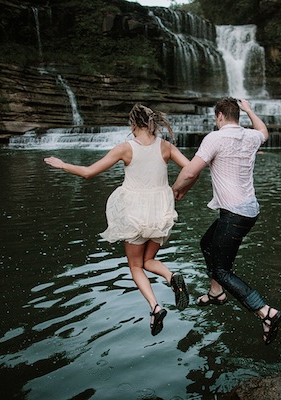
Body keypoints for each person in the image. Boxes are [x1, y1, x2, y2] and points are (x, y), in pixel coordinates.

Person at [44, 104, 190, 336]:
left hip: (135, 212)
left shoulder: (125, 148)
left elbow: (88, 172)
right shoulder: (166, 147)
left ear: (133, 124)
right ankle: (171, 276)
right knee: (148, 259)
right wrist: (180, 189)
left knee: (135, 265)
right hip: (160, 210)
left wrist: (63, 165)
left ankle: (155, 307)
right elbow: (191, 169)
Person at [172, 97, 281, 345]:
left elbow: (191, 171)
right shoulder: (251, 137)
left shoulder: (215, 137)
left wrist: (175, 191)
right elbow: (264, 131)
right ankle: (216, 293)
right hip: (248, 211)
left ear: (220, 116)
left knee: (222, 270)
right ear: (237, 115)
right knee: (207, 243)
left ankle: (266, 312)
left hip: (234, 214)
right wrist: (250, 110)